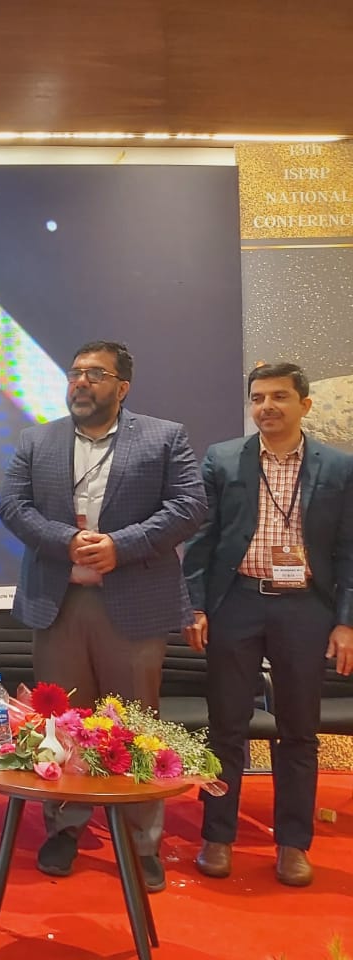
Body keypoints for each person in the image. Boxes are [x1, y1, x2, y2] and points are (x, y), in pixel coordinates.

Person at [0, 340, 206, 894]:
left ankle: (142, 843)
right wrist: (65, 540)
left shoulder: (164, 437)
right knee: (61, 721)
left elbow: (189, 506)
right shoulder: (37, 440)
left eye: (95, 373)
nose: (81, 382)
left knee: (135, 724)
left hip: (133, 602)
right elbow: (13, 506)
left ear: (123, 387)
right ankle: (65, 828)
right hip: (58, 601)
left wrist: (121, 545)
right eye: (75, 372)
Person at [183, 362, 353, 887]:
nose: (266, 407)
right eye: (258, 398)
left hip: (306, 608)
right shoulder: (223, 458)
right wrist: (196, 606)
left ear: (305, 404)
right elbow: (202, 540)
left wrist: (345, 622)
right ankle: (217, 836)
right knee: (226, 727)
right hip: (236, 601)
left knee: (299, 730)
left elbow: (349, 551)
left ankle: (293, 844)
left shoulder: (339, 467)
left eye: (279, 396)